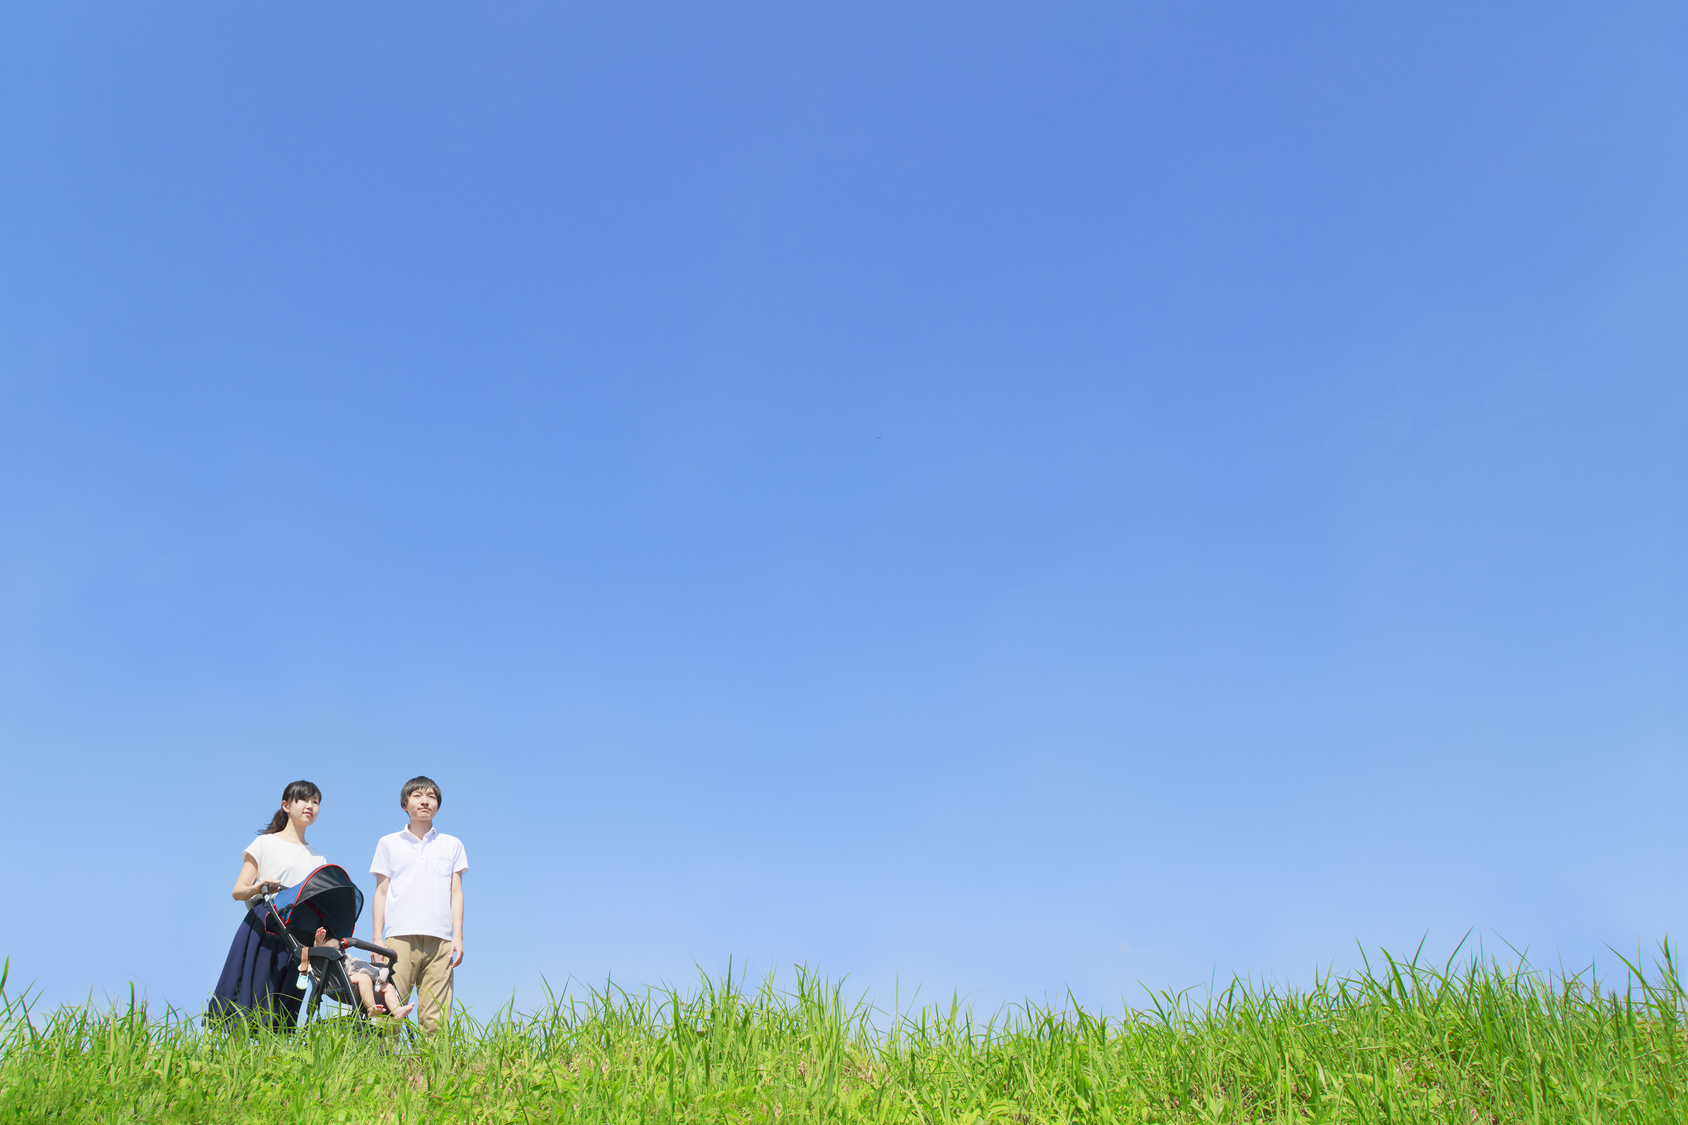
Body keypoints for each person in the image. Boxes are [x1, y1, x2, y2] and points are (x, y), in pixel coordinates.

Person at [208, 780, 327, 1027]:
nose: (310, 806)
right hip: (263, 925)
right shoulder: (265, 843)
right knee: (247, 998)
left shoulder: (318, 858)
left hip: (296, 934)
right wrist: (260, 887)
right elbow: (238, 891)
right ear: (286, 805)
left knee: (283, 1005)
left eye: (315, 802)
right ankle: (234, 1059)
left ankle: (274, 1058)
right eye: (303, 799)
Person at [370, 775, 467, 1035]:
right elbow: (381, 892)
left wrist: (457, 936)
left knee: (436, 1019)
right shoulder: (388, 843)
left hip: (441, 941)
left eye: (431, 796)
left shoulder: (452, 844)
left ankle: (432, 1073)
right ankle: (384, 1072)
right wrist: (377, 937)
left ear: (438, 805)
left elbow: (456, 893)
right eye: (417, 796)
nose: (425, 801)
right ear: (405, 804)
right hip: (398, 938)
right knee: (389, 1012)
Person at [297, 927, 415, 1020]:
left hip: (357, 978)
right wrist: (318, 941)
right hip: (339, 979)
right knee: (364, 978)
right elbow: (318, 954)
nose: (337, 951)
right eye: (332, 949)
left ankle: (397, 1010)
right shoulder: (325, 961)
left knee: (388, 986)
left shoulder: (346, 959)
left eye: (338, 948)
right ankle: (370, 1008)